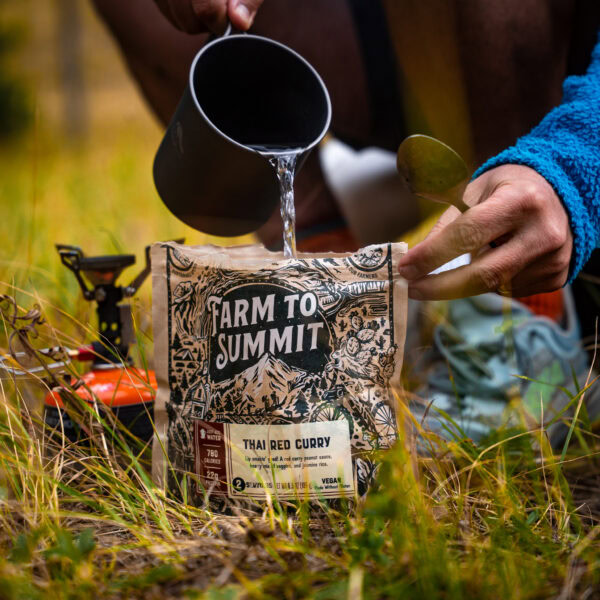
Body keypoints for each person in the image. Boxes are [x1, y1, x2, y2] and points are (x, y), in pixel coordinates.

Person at [92, 0, 600, 445]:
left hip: (567, 111)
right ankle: (335, 317)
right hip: (406, 70)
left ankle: (525, 327)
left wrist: (571, 161)